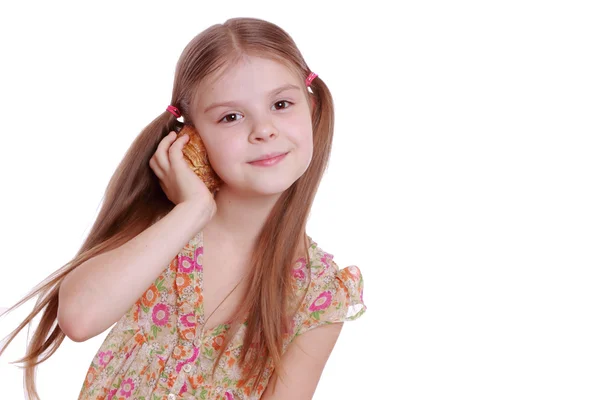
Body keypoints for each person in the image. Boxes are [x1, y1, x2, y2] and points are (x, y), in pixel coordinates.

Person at [0, 17, 367, 400]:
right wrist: (192, 210)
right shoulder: (160, 229)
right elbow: (78, 318)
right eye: (231, 117)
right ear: (190, 135)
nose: (264, 129)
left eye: (281, 104)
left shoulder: (319, 294)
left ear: (310, 107)